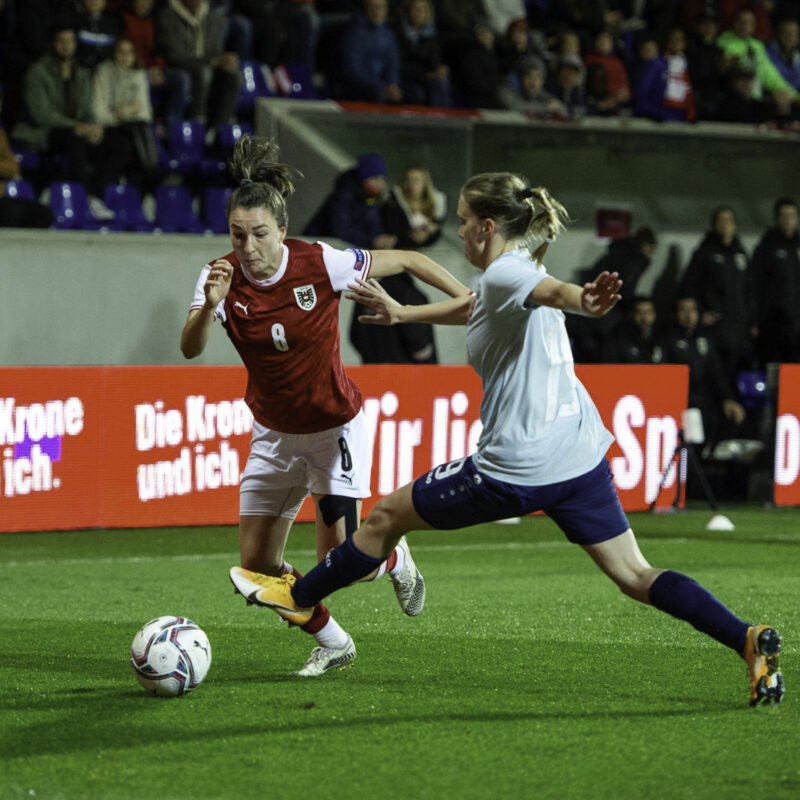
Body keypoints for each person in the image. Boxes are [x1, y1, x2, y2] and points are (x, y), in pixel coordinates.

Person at [230, 170, 784, 708]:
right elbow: (479, 306)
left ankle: (299, 597)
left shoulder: (508, 275)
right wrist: (404, 313)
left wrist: (583, 301)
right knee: (636, 575)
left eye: (464, 220)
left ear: (487, 226)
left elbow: (551, 292)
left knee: (384, 520)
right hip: (578, 457)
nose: (460, 229)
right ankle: (746, 639)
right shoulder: (510, 270)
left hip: (514, 467)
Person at [181, 135, 472, 676]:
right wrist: (209, 308)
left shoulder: (323, 264)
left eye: (259, 234)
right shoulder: (218, 277)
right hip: (271, 434)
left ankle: (390, 556)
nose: (247, 247)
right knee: (259, 567)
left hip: (331, 428)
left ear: (282, 232)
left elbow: (409, 256)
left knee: (347, 567)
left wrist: (465, 300)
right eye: (237, 234)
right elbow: (190, 347)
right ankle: (335, 642)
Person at [11, 21, 134, 221]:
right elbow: (42, 115)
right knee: (74, 139)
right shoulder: (38, 72)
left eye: (70, 41)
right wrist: (78, 127)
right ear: (53, 44)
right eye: (61, 41)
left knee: (119, 143)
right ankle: (88, 197)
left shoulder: (81, 73)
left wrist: (95, 128)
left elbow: (87, 110)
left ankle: (98, 194)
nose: (66, 46)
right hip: (42, 134)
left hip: (75, 131)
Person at [679, 206, 757, 386]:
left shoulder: (741, 254)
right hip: (717, 329)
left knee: (738, 376)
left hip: (740, 328)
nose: (726, 225)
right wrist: (700, 312)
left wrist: (753, 321)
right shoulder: (705, 253)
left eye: (729, 221)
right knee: (716, 376)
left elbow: (750, 289)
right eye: (721, 221)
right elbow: (689, 286)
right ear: (715, 225)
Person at [661, 295, 746, 449]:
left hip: (705, 401)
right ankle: (691, 467)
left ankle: (711, 461)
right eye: (683, 310)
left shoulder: (704, 339)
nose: (688, 315)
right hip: (682, 403)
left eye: (692, 310)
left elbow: (716, 373)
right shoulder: (667, 340)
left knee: (731, 416)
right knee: (694, 431)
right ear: (675, 314)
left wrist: (727, 399)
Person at [155, 0, 242, 134]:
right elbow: (174, 56)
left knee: (233, 75)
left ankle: (218, 130)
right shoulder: (167, 15)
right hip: (178, 68)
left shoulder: (210, 15)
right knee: (204, 72)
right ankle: (197, 124)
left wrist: (225, 60)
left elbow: (215, 50)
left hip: (206, 66)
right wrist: (212, 62)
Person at [92, 37, 159, 191]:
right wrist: (125, 112)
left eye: (129, 52)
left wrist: (121, 111)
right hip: (110, 126)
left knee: (137, 137)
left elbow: (144, 111)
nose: (125, 56)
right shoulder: (104, 71)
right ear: (113, 54)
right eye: (121, 52)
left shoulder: (139, 73)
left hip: (134, 126)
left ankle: (140, 192)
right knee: (129, 145)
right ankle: (148, 189)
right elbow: (98, 110)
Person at [303, 152, 397, 250]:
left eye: (382, 178)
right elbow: (340, 231)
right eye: (375, 178)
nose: (380, 183)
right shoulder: (344, 196)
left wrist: (382, 238)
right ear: (364, 179)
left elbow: (373, 226)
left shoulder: (373, 199)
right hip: (317, 247)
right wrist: (372, 240)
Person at [752, 197, 800, 364]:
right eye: (784, 216)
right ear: (777, 219)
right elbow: (755, 284)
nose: (788, 220)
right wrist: (755, 319)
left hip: (797, 323)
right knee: (772, 368)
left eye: (791, 216)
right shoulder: (767, 247)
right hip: (772, 323)